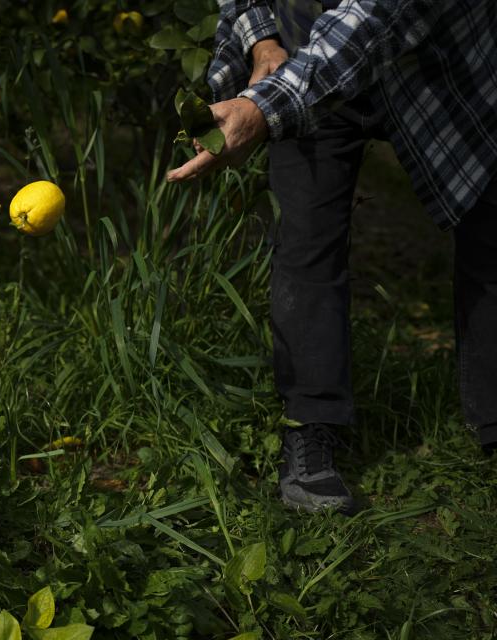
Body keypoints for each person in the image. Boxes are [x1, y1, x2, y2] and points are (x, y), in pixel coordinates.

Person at [166, 0, 497, 513]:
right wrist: (264, 40)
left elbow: (376, 18)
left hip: (433, 60)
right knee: (305, 239)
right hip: (303, 58)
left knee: (490, 223)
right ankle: (310, 424)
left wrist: (261, 109)